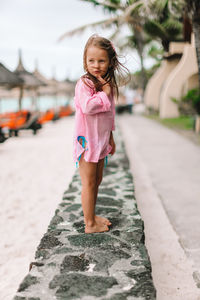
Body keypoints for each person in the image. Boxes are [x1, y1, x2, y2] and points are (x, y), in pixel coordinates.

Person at [73, 34, 129, 234]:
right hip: (87, 141)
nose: (96, 65)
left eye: (101, 60)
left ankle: (93, 215)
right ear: (85, 61)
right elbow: (88, 107)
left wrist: (111, 137)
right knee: (88, 182)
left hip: (101, 140)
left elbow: (109, 113)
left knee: (97, 180)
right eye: (91, 60)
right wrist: (103, 93)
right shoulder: (85, 84)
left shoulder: (107, 84)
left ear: (110, 62)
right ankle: (89, 223)